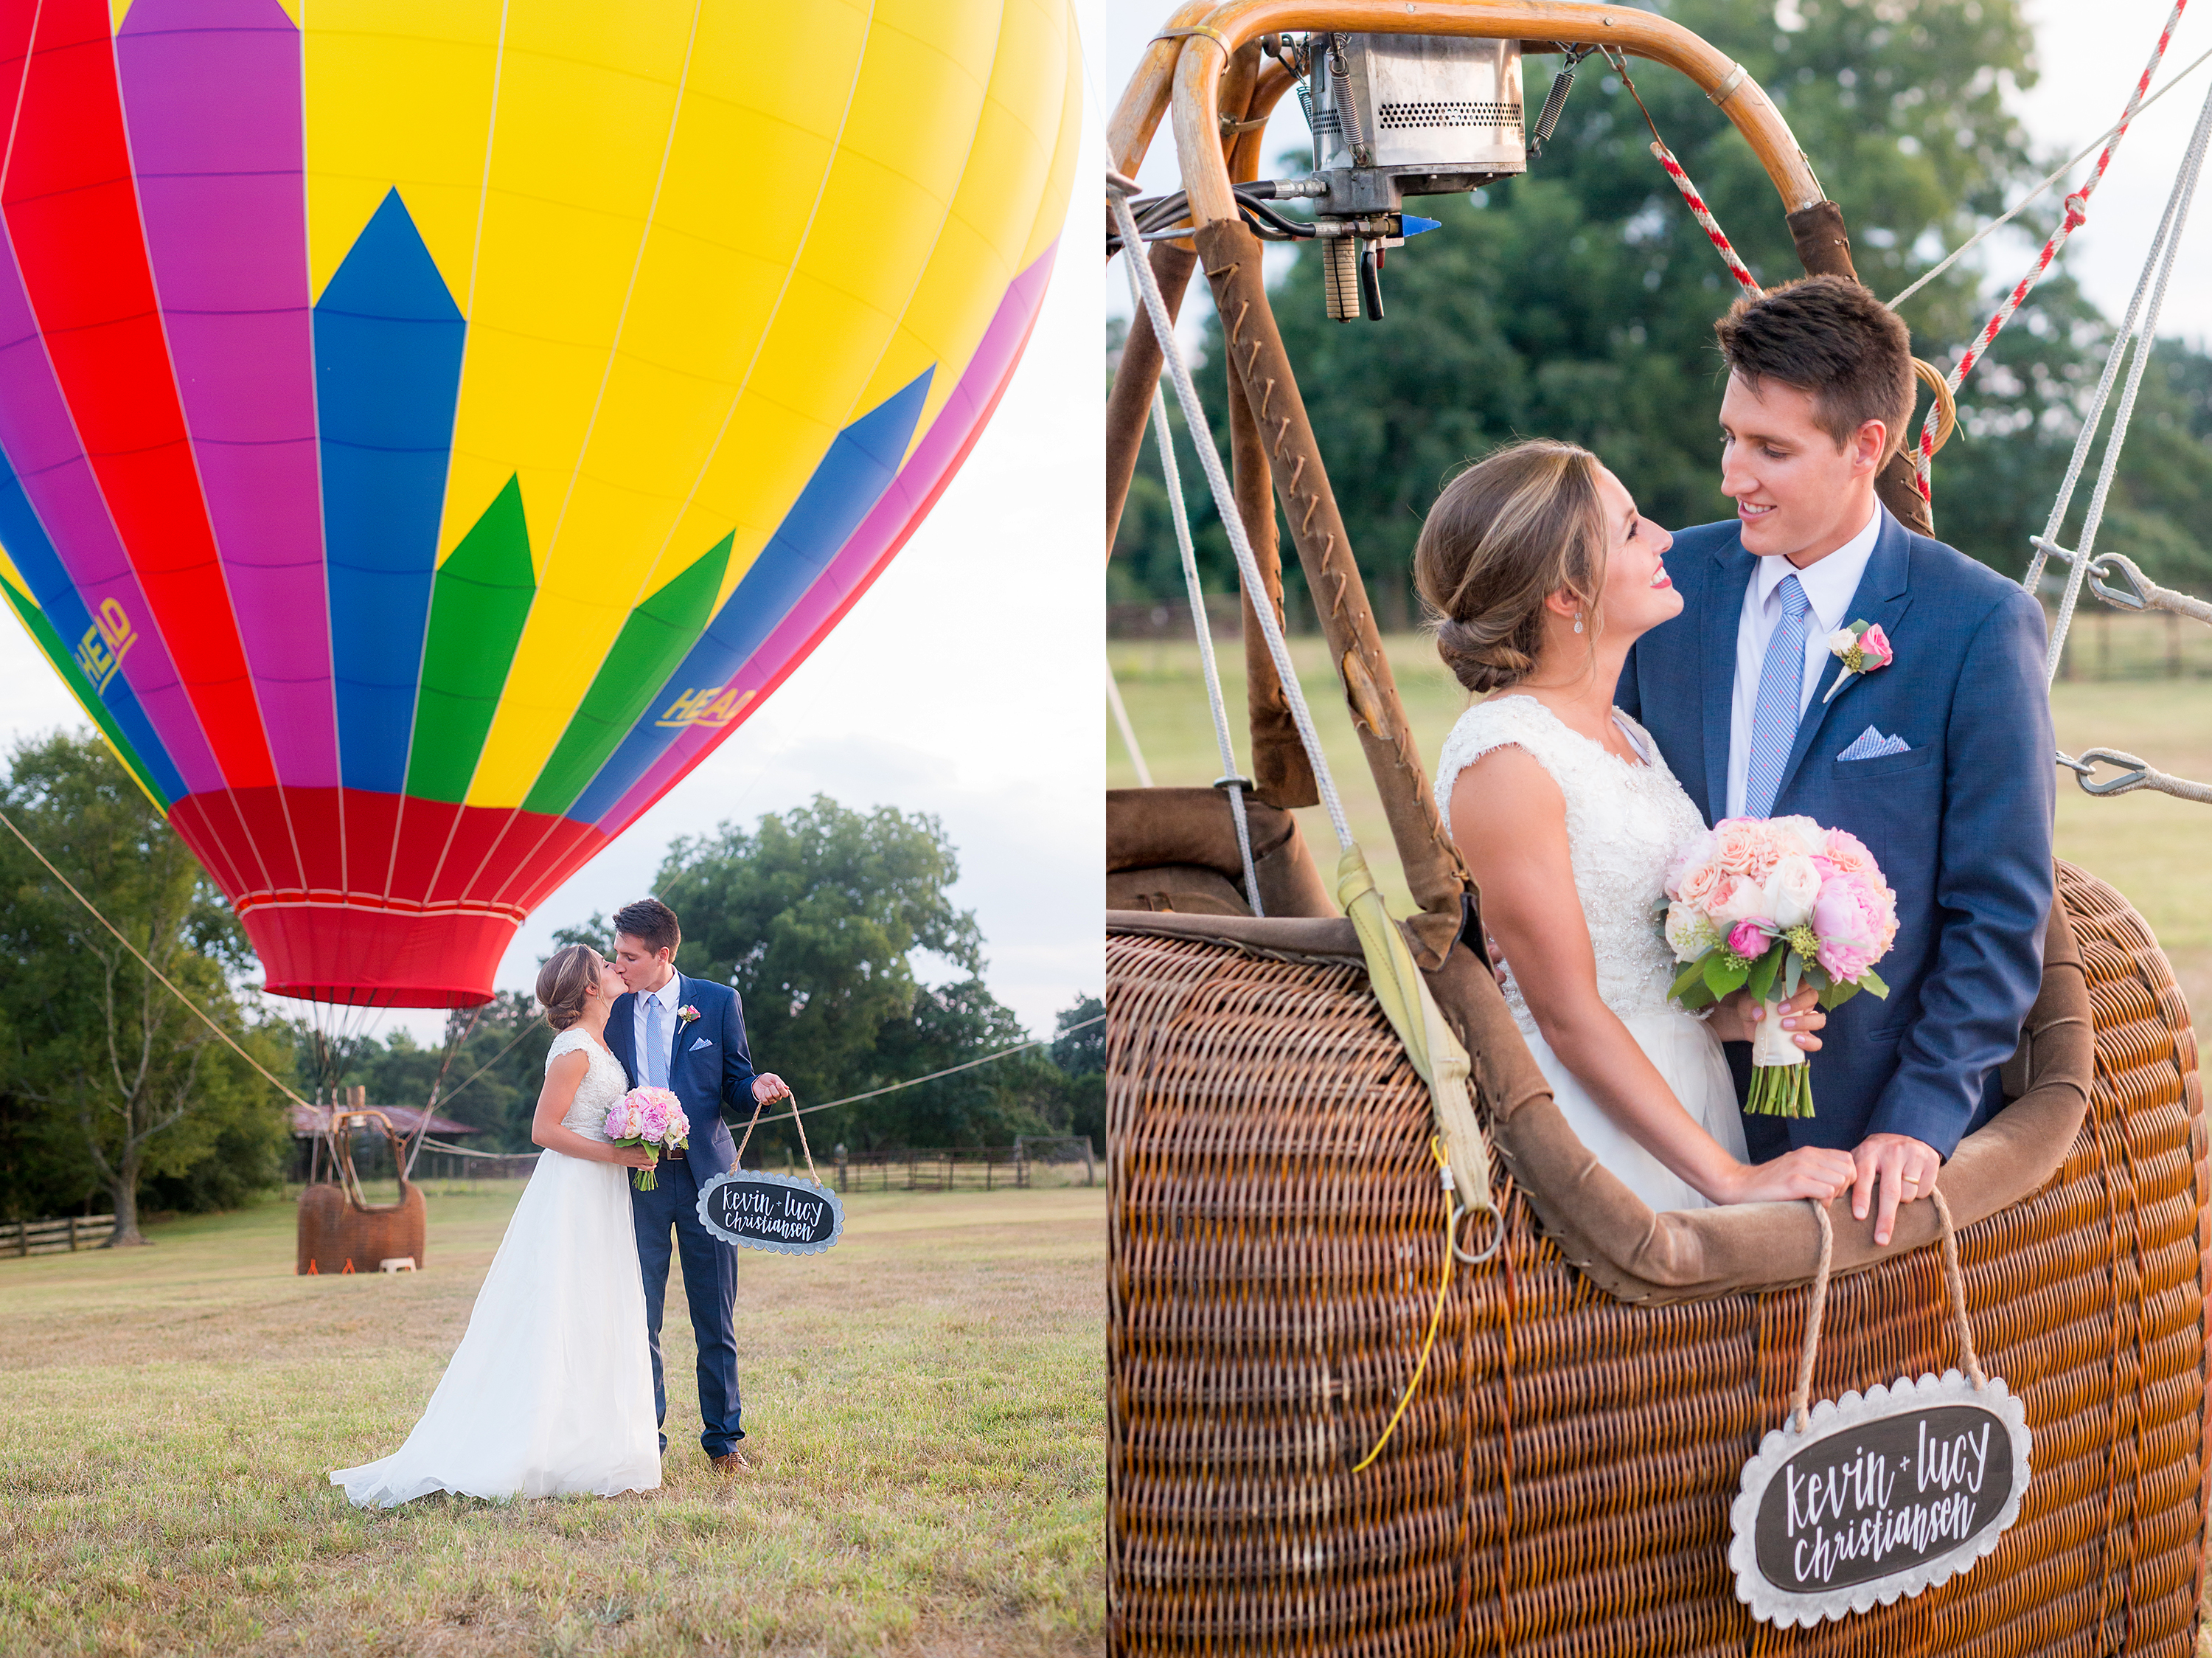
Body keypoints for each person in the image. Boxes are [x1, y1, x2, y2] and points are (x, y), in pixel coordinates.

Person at [1615, 275, 2054, 1246]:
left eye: (1772, 448)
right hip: (1666, 1112)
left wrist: (1922, 1116)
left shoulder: (1977, 625)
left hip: (1866, 1139)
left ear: (1868, 448)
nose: (1734, 475)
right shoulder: (1664, 588)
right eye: (1731, 436)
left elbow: (1998, 911)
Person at [1422, 440, 1854, 1214]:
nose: (1663, 539)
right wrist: (1731, 1178)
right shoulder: (1507, 757)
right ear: (1565, 593)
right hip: (1596, 1128)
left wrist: (1734, 1014)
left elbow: (1637, 970)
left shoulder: (1627, 733)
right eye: (1629, 530)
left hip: (1684, 1093)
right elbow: (1567, 1012)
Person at [330, 945, 661, 1507]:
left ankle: (589, 1446)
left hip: (603, 1193)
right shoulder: (574, 1049)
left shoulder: (603, 1043)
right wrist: (616, 1157)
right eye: (606, 965)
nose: (616, 969)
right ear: (588, 987)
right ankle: (532, 1447)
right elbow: (543, 1130)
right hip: (575, 1192)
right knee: (561, 1306)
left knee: (595, 1309)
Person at [604, 896, 789, 1474]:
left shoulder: (717, 1001)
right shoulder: (610, 1011)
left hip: (709, 1178)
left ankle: (724, 1442)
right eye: (616, 956)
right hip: (641, 1181)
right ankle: (646, 1442)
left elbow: (734, 1082)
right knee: (642, 1314)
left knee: (715, 1314)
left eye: (629, 958)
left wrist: (755, 1086)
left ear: (663, 955)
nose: (618, 968)